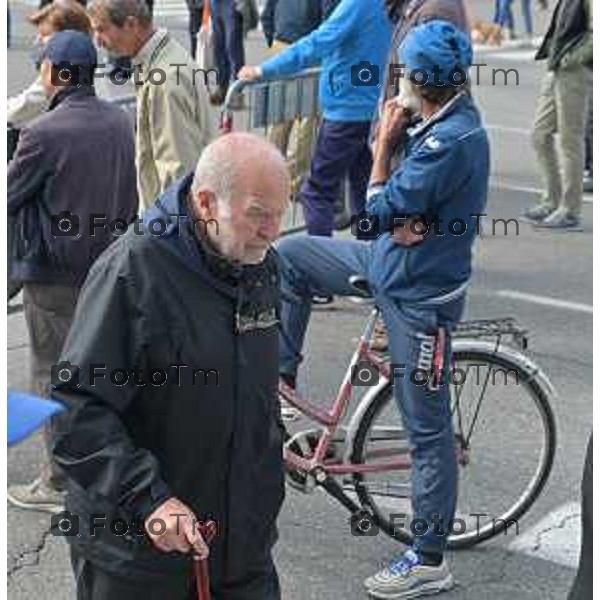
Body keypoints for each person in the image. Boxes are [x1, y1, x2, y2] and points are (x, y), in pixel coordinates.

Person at [276, 21, 488, 599]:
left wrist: (382, 150)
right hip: (389, 260)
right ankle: (281, 379)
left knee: (428, 431)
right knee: (289, 255)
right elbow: (386, 220)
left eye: (403, 75)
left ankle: (428, 559)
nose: (395, 84)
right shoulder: (439, 116)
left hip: (420, 297)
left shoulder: (451, 141)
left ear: (423, 81)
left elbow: (370, 213)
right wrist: (399, 215)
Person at [50, 133, 289, 599]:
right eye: (258, 213)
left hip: (241, 548)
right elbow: (74, 411)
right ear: (205, 203)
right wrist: (150, 499)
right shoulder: (133, 273)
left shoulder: (259, 263)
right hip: (139, 557)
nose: (273, 231)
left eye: (281, 212)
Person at [6, 30, 137, 513]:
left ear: (56, 74)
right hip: (109, 270)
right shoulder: (118, 121)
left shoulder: (43, 132)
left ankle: (58, 481)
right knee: (99, 371)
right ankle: (108, 467)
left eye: (43, 65)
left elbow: (12, 195)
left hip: (54, 274)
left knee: (51, 375)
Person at [239, 0, 393, 237]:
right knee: (363, 187)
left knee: (317, 193)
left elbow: (319, 41)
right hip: (368, 105)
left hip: (346, 108)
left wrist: (264, 70)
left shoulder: (358, 4)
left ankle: (320, 259)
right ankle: (369, 252)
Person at [88, 0, 212, 211]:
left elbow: (177, 170)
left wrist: (161, 231)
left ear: (130, 25)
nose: (97, 41)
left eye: (101, 30)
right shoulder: (164, 58)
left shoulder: (164, 80)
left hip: (170, 221)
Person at [523, 0, 592, 230]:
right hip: (557, 67)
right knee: (539, 135)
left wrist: (570, 59)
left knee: (570, 139)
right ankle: (551, 200)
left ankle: (570, 210)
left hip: (574, 70)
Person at [260, 0, 322, 197]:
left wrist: (274, 43)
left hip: (280, 47)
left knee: (277, 118)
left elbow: (266, 16)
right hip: (307, 50)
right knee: (306, 121)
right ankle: (293, 183)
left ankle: (268, 177)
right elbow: (328, 25)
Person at [7, 0, 93, 128]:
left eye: (44, 35)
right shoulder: (81, 63)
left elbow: (25, 105)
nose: (37, 41)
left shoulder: (63, 73)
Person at [208, 0, 246, 105]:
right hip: (215, 3)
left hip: (231, 3)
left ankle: (236, 92)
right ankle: (222, 89)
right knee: (219, 49)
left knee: (233, 49)